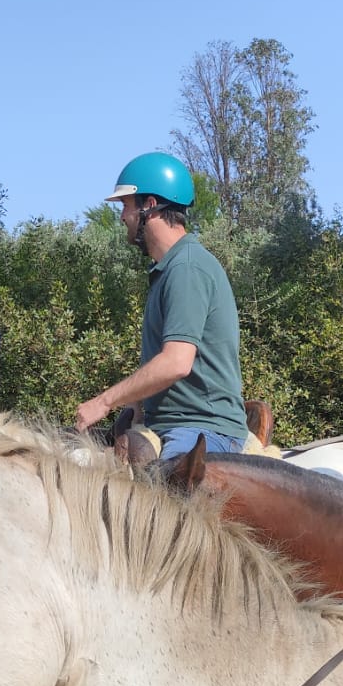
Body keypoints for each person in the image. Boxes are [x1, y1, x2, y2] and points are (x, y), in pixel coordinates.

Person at [74, 151, 247, 461]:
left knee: (162, 489)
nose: (123, 217)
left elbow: (176, 362)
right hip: (172, 425)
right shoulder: (169, 268)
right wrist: (135, 405)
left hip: (201, 429)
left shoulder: (187, 268)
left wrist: (104, 402)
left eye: (126, 205)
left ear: (149, 206)